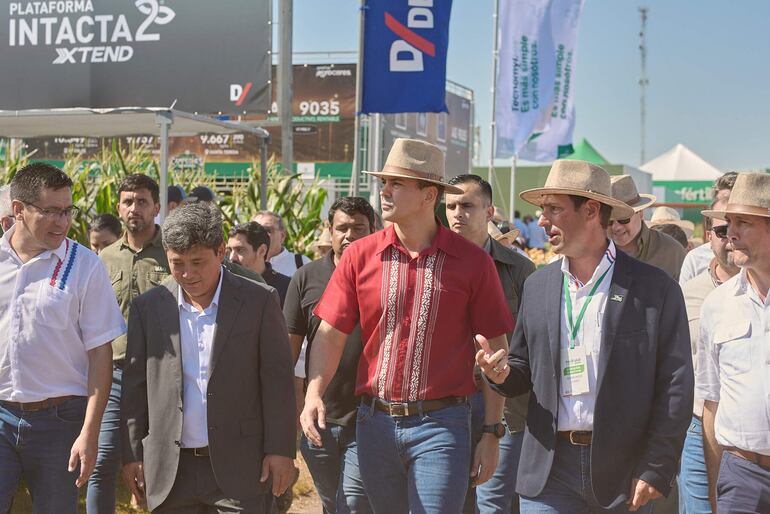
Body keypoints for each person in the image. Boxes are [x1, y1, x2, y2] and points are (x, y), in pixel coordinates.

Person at [301, 138, 514, 513]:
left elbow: (495, 350)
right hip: (373, 423)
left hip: (442, 425)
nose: (384, 191)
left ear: (429, 195)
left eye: (397, 183)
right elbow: (330, 333)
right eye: (384, 182)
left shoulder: (473, 262)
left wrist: (492, 432)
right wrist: (313, 392)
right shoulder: (360, 256)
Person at [478, 160, 693, 514]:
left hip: (622, 473)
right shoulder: (538, 285)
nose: (542, 220)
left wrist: (657, 464)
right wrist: (499, 373)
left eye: (554, 209)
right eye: (542, 209)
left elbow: (676, 383)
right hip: (548, 471)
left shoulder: (655, 289)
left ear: (591, 210)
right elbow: (522, 369)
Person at [121, 202, 297, 513]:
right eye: (177, 263)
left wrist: (281, 449)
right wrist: (133, 453)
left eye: (198, 262)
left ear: (220, 251)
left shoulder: (258, 301)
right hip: (171, 473)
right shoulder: (148, 308)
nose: (187, 274)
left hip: (241, 470)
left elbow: (277, 381)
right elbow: (135, 386)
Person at [0, 162, 125, 513]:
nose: (62, 221)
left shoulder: (85, 266)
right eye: (51, 211)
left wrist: (90, 432)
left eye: (68, 211)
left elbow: (100, 353)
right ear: (18, 210)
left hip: (60, 422)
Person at [445, 174, 536, 514]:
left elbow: (531, 344)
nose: (458, 214)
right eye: (451, 206)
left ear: (489, 211)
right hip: (444, 406)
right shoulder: (430, 263)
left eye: (467, 205)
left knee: (492, 503)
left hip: (506, 410)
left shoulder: (519, 270)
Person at [284, 196, 375, 514]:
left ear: (373, 230)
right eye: (342, 228)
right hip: (319, 416)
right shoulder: (306, 278)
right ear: (329, 229)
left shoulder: (383, 277)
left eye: (359, 228)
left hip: (369, 416)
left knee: (353, 502)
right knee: (332, 503)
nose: (350, 235)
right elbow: (288, 350)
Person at [90, 173, 169, 513]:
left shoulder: (173, 253)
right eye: (127, 202)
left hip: (163, 372)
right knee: (101, 460)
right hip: (115, 373)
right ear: (119, 208)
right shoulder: (103, 259)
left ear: (156, 207)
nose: (134, 208)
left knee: (164, 461)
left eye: (142, 202)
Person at [696, 172, 770, 514]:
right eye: (728, 223)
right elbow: (711, 402)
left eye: (743, 223)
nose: (731, 234)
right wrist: (716, 489)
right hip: (741, 476)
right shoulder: (718, 304)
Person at [678, 194, 740, 514]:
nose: (730, 237)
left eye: (739, 226)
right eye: (721, 230)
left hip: (751, 435)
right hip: (698, 428)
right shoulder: (687, 293)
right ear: (708, 236)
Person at [608, 175, 686, 280]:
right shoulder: (592, 252)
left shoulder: (672, 252)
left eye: (623, 219)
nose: (616, 227)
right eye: (608, 220)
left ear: (640, 213)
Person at [679, 172, 738, 284]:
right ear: (709, 236)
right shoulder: (695, 259)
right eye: (723, 231)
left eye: (744, 225)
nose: (733, 236)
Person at [227, 221, 291, 305]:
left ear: (261, 251)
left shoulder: (286, 288)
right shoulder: (224, 285)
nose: (231, 258)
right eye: (229, 250)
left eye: (240, 250)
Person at [252, 211, 311, 278]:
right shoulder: (245, 263)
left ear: (282, 236)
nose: (260, 234)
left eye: (267, 230)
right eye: (255, 230)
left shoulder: (302, 263)